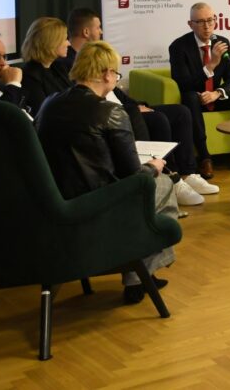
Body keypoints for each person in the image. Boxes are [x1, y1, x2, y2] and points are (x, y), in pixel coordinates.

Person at [35, 41, 178, 305]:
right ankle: (138, 275)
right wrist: (153, 166)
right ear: (106, 74)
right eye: (116, 73)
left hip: (55, 204)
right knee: (164, 184)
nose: (116, 79)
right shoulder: (110, 111)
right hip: (100, 205)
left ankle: (140, 272)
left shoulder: (49, 103)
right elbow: (133, 177)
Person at [64, 8, 216, 205]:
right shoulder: (76, 71)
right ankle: (172, 177)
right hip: (115, 121)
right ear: (107, 74)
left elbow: (119, 95)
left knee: (180, 112)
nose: (101, 31)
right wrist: (133, 109)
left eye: (210, 20)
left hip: (123, 110)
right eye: (116, 74)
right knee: (159, 118)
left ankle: (189, 173)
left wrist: (137, 105)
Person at [169, 2, 230, 177]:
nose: (207, 26)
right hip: (196, 100)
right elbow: (183, 84)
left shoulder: (222, 42)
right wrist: (210, 66)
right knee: (190, 97)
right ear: (190, 24)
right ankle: (205, 158)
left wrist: (217, 93)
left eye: (210, 20)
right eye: (200, 22)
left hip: (215, 96)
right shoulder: (179, 47)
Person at [20, 17, 72, 112]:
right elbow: (43, 111)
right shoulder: (30, 76)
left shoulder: (59, 67)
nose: (69, 43)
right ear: (51, 42)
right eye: (65, 39)